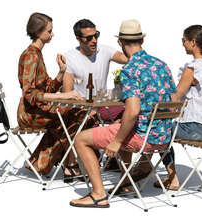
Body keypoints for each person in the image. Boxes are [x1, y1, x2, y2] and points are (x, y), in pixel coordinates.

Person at [69, 19, 177, 208]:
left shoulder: (130, 69)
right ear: (142, 41)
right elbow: (174, 103)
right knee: (121, 124)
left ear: (121, 42)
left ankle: (98, 194)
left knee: (80, 139)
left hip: (144, 138)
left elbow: (133, 111)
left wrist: (117, 142)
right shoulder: (162, 65)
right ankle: (126, 183)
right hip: (165, 138)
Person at [17, 12, 98, 179]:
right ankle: (66, 164)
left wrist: (61, 73)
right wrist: (66, 96)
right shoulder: (30, 56)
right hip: (29, 113)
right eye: (49, 31)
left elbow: (47, 88)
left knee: (78, 113)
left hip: (39, 109)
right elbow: (29, 94)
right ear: (38, 32)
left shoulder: (37, 54)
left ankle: (49, 163)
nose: (52, 34)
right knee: (77, 114)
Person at [153, 25, 202, 190]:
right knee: (162, 126)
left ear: (192, 42)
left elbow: (175, 97)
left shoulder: (192, 68)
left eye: (183, 40)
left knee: (157, 129)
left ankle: (172, 179)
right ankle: (147, 169)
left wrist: (153, 96)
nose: (182, 44)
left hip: (196, 128)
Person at [63, 18, 128, 170]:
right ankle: (72, 163)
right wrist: (87, 108)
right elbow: (67, 93)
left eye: (96, 35)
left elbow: (129, 59)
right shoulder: (70, 57)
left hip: (103, 106)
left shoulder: (104, 50)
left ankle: (113, 157)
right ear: (78, 39)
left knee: (130, 113)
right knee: (74, 118)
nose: (94, 40)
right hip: (81, 109)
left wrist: (128, 43)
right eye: (89, 38)